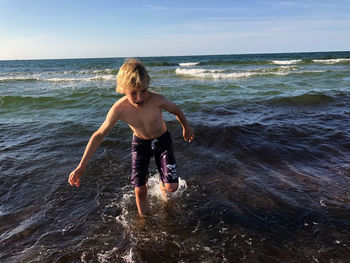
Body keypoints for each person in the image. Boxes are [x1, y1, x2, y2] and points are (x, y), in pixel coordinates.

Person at [68, 58, 194, 216]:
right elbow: (98, 135)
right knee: (140, 190)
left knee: (171, 188)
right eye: (133, 93)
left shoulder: (157, 100)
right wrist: (82, 166)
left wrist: (186, 127)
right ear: (123, 89)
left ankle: (164, 189)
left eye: (144, 90)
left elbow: (176, 110)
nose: (140, 98)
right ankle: (144, 222)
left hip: (162, 141)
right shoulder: (119, 109)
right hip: (140, 144)